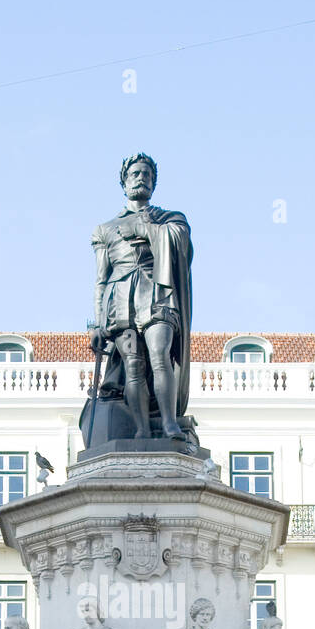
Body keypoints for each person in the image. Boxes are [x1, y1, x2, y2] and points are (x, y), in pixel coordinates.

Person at [89, 153, 193, 442]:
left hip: (157, 291)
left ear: (154, 182)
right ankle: (141, 429)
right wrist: (98, 323)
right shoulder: (104, 229)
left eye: (147, 174)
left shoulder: (170, 219)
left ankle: (170, 424)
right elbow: (100, 279)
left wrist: (142, 229)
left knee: (160, 356)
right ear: (124, 182)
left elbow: (180, 242)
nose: (141, 178)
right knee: (133, 366)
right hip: (119, 297)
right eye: (135, 173)